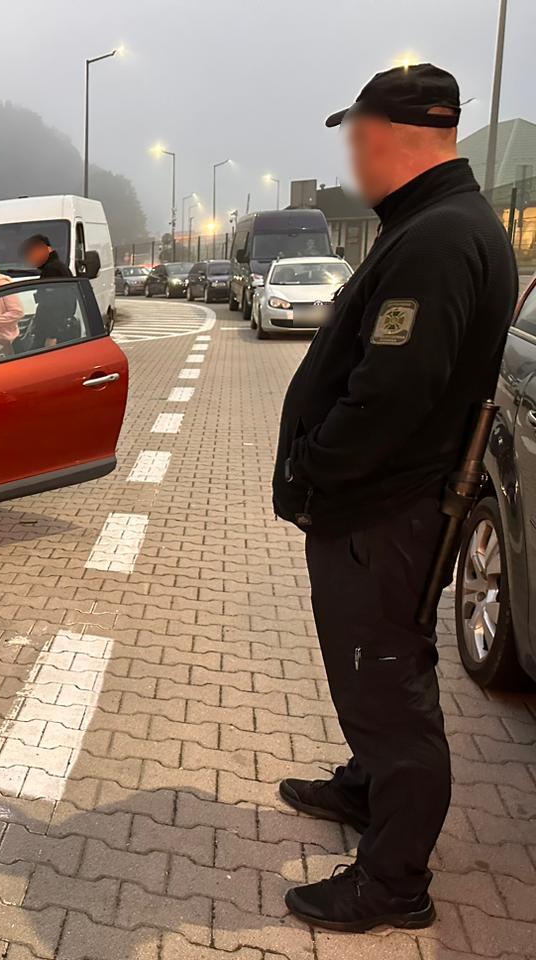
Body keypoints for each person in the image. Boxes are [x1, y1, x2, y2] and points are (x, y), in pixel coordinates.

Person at [273, 66, 518, 932]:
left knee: (390, 690)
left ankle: (393, 883)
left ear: (390, 134)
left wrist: (314, 469)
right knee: (376, 680)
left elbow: (389, 394)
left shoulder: (439, 239)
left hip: (381, 516)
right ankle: (370, 789)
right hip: (386, 511)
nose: (352, 156)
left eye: (356, 137)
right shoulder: (433, 224)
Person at [21, 233, 80, 348]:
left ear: (48, 249)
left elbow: (55, 306)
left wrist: (51, 336)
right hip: (57, 330)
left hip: (51, 333)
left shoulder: (52, 270)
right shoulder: (57, 267)